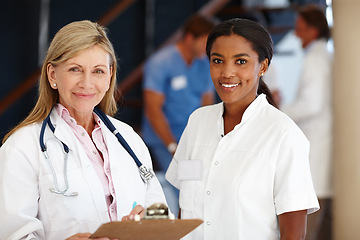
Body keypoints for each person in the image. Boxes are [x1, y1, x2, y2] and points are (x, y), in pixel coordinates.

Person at [0, 20, 167, 240]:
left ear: (109, 76)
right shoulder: (22, 147)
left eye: (98, 71)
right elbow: (12, 234)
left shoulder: (128, 139)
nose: (86, 83)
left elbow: (162, 213)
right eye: (75, 69)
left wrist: (149, 223)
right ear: (52, 75)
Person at [165, 18, 319, 239]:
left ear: (263, 67)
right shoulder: (197, 122)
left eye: (241, 62)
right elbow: (185, 208)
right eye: (217, 61)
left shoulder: (283, 134)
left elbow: (293, 233)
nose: (227, 72)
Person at [141, 14, 216, 215]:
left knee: (206, 184)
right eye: (206, 42)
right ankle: (181, 229)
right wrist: (173, 146)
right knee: (186, 185)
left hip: (192, 138)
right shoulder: (162, 62)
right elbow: (153, 109)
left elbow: (207, 104)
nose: (208, 48)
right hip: (166, 140)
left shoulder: (205, 63)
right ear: (190, 38)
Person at [281, 4, 333, 240]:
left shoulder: (316, 59)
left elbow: (311, 104)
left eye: (299, 28)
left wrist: (278, 111)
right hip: (319, 140)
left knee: (309, 216)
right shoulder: (322, 55)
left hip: (316, 141)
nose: (295, 33)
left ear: (313, 31)